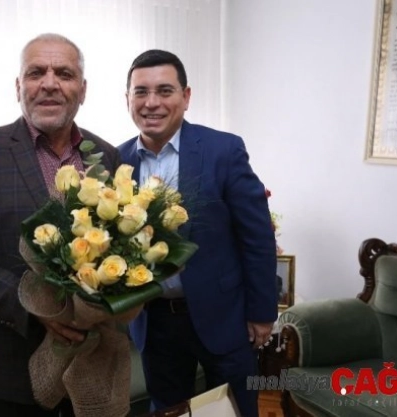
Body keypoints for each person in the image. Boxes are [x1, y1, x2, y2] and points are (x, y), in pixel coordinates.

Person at [0, 33, 120, 417]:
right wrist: (31, 307)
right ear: (18, 87)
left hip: (94, 367)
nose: (49, 83)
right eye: (36, 73)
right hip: (11, 372)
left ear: (83, 90)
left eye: (64, 74)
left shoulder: (107, 157)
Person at [117, 49, 278, 417]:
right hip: (155, 322)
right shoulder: (117, 160)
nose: (152, 102)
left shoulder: (223, 150)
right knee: (169, 411)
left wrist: (262, 312)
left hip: (225, 316)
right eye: (141, 92)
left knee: (237, 409)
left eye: (165, 90)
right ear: (127, 99)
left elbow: (256, 237)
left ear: (186, 96)